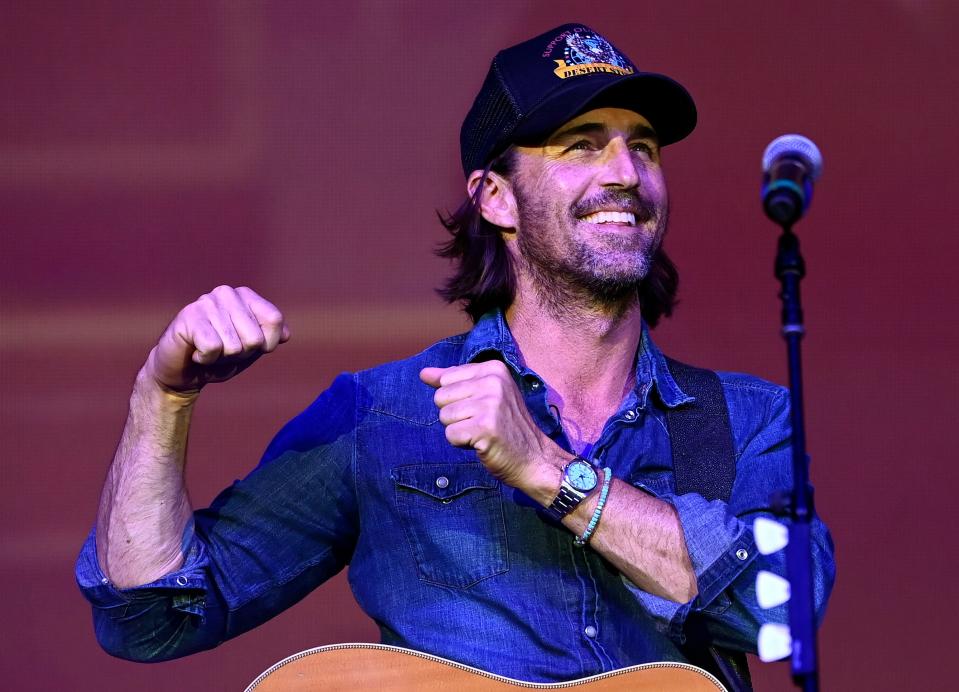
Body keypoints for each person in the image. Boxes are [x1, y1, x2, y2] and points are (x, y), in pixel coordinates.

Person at [76, 23, 834, 687]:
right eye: (580, 145)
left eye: (642, 146)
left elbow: (783, 612)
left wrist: (541, 466)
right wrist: (162, 397)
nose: (624, 174)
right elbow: (149, 619)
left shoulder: (742, 417)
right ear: (494, 197)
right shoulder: (380, 413)